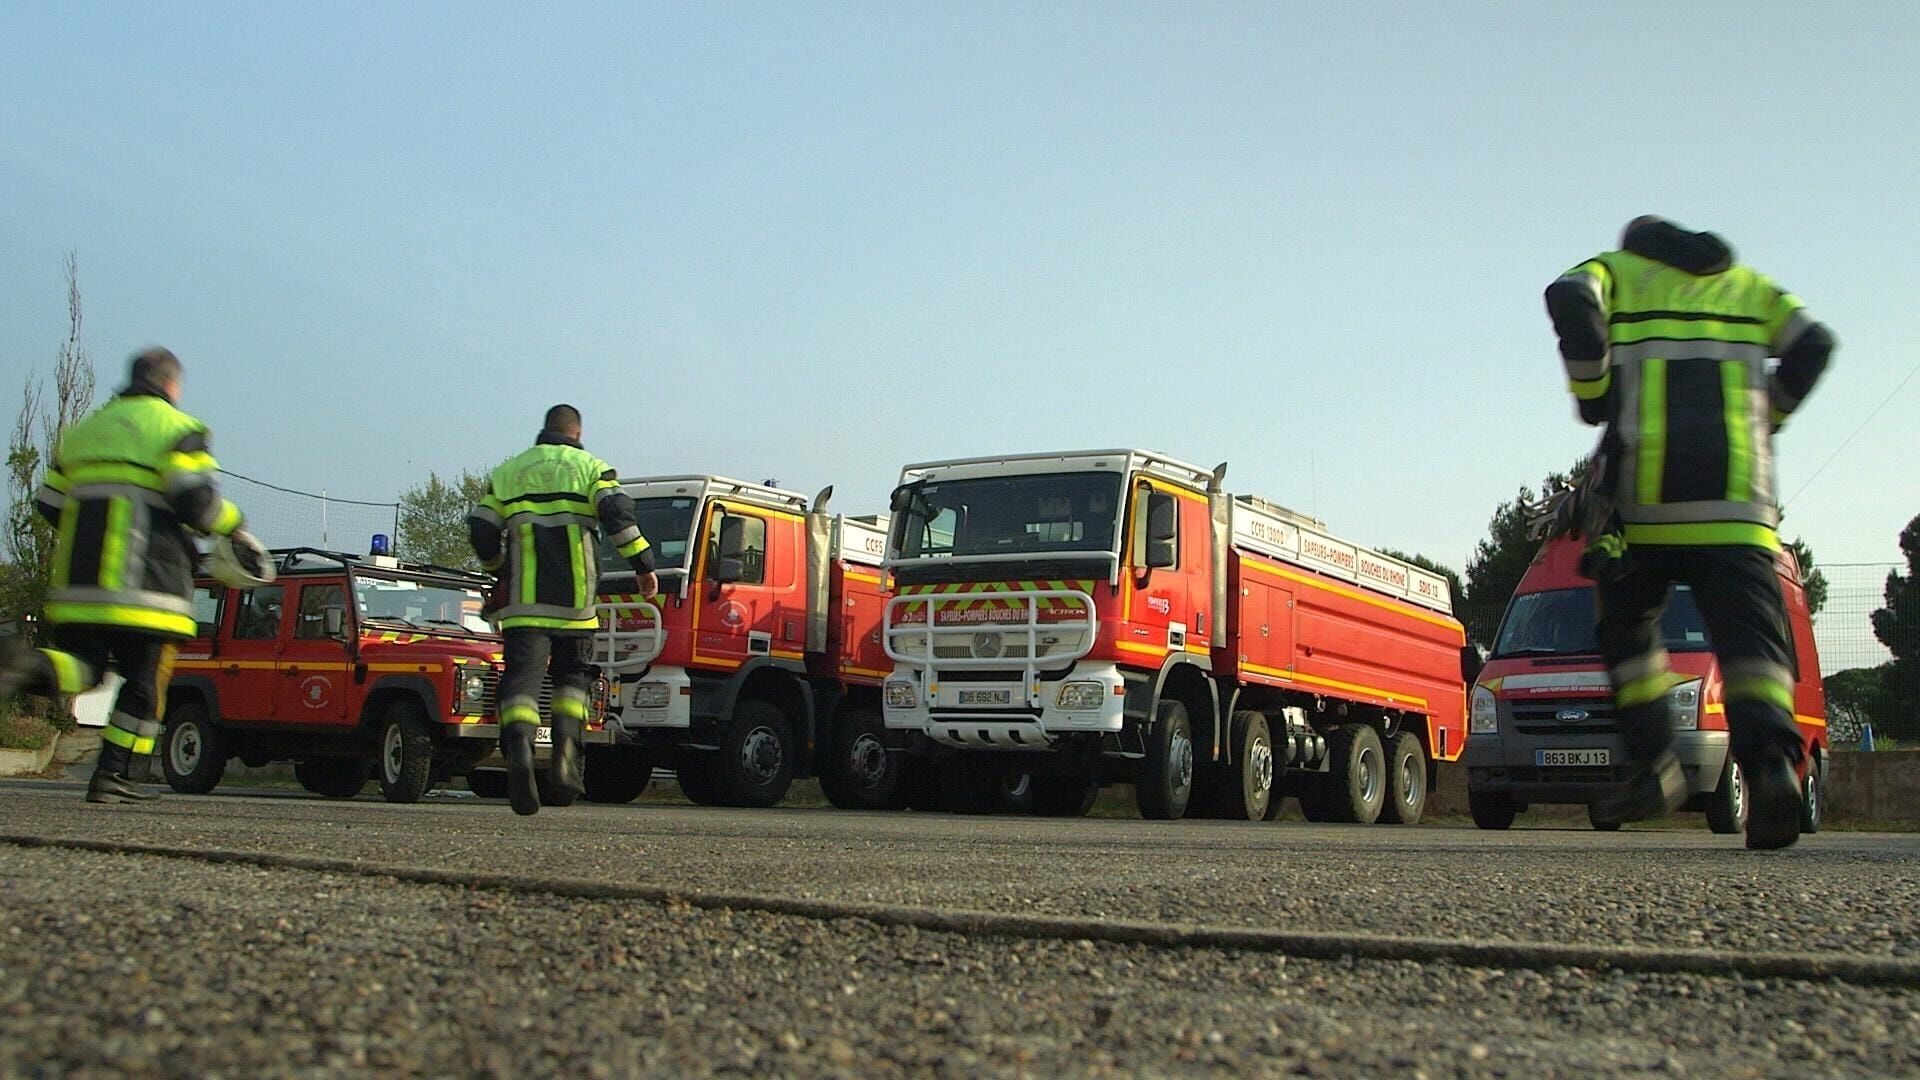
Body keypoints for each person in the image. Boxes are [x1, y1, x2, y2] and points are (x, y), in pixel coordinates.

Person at [1544, 216, 1835, 849]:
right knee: (1753, 650)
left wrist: (1592, 389)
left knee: (1626, 624)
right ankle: (1771, 771)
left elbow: (1568, 296)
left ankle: (1655, 765)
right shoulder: (1749, 288)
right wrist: (1768, 416)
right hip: (1740, 507)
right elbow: (1815, 344)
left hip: (1645, 499)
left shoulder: (1618, 271)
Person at [0, 347, 268, 802]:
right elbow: (197, 503)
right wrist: (236, 528)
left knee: (82, 668)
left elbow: (49, 504)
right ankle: (113, 775)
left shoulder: (84, 432)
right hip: (148, 588)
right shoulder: (179, 431)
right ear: (171, 386)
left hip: (81, 586)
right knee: (144, 687)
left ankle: (22, 662)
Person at [467, 404, 657, 816]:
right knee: (572, 682)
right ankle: (566, 755)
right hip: (575, 606)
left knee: (521, 683)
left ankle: (517, 744)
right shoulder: (591, 469)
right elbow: (618, 516)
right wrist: (642, 565)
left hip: (524, 606)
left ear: (545, 430)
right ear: (577, 432)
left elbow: (481, 528)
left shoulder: (510, 472)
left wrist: (499, 568)